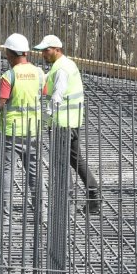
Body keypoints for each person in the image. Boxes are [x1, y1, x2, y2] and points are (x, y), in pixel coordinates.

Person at [0, 33, 45, 227]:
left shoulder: (9, 76)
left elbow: (1, 101)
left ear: (10, 54)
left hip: (11, 132)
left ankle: (4, 218)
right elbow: (44, 95)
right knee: (35, 175)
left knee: (6, 174)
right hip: (34, 131)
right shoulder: (39, 73)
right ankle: (42, 215)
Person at [34, 34, 100, 214]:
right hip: (72, 121)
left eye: (46, 50)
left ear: (57, 49)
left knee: (60, 163)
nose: (43, 54)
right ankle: (93, 196)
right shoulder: (66, 65)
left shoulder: (61, 68)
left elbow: (56, 97)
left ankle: (67, 203)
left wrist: (44, 122)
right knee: (75, 160)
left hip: (62, 124)